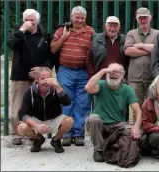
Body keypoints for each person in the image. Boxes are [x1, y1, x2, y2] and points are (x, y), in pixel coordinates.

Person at [7, 9, 54, 145]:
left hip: (39, 76)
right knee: (17, 104)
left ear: (37, 20)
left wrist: (42, 69)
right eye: (26, 20)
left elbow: (50, 57)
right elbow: (11, 44)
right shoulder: (19, 32)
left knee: (37, 104)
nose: (29, 22)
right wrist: (22, 30)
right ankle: (16, 133)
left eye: (32, 20)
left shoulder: (44, 35)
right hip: (20, 74)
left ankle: (34, 133)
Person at [50, 6, 95, 146]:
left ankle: (78, 133)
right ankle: (66, 134)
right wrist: (64, 37)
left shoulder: (90, 31)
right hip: (65, 71)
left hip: (84, 72)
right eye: (77, 17)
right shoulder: (62, 30)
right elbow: (53, 49)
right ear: (71, 17)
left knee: (83, 103)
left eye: (82, 18)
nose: (79, 20)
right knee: (66, 102)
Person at [84, 63, 142, 162]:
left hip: (118, 125)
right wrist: (103, 71)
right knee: (93, 118)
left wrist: (136, 127)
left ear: (122, 75)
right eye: (110, 72)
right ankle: (99, 150)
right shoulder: (101, 85)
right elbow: (88, 88)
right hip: (101, 125)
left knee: (136, 133)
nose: (113, 74)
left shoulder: (127, 89)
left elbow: (138, 111)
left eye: (117, 72)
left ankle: (114, 147)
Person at [17, 67, 73, 153]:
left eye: (49, 78)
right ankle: (38, 139)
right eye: (43, 78)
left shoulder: (56, 89)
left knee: (69, 121)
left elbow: (67, 103)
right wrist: (37, 125)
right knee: (22, 128)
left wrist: (57, 86)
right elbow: (23, 114)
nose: (46, 81)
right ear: (36, 79)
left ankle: (56, 140)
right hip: (37, 120)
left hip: (54, 119)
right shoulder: (29, 92)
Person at [124, 7, 159, 106]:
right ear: (137, 19)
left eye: (145, 18)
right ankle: (138, 122)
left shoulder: (158, 34)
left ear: (150, 18)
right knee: (137, 108)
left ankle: (151, 122)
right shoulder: (131, 34)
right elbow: (127, 51)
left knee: (152, 107)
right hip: (135, 78)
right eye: (140, 18)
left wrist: (140, 46)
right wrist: (149, 51)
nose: (143, 20)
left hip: (152, 77)